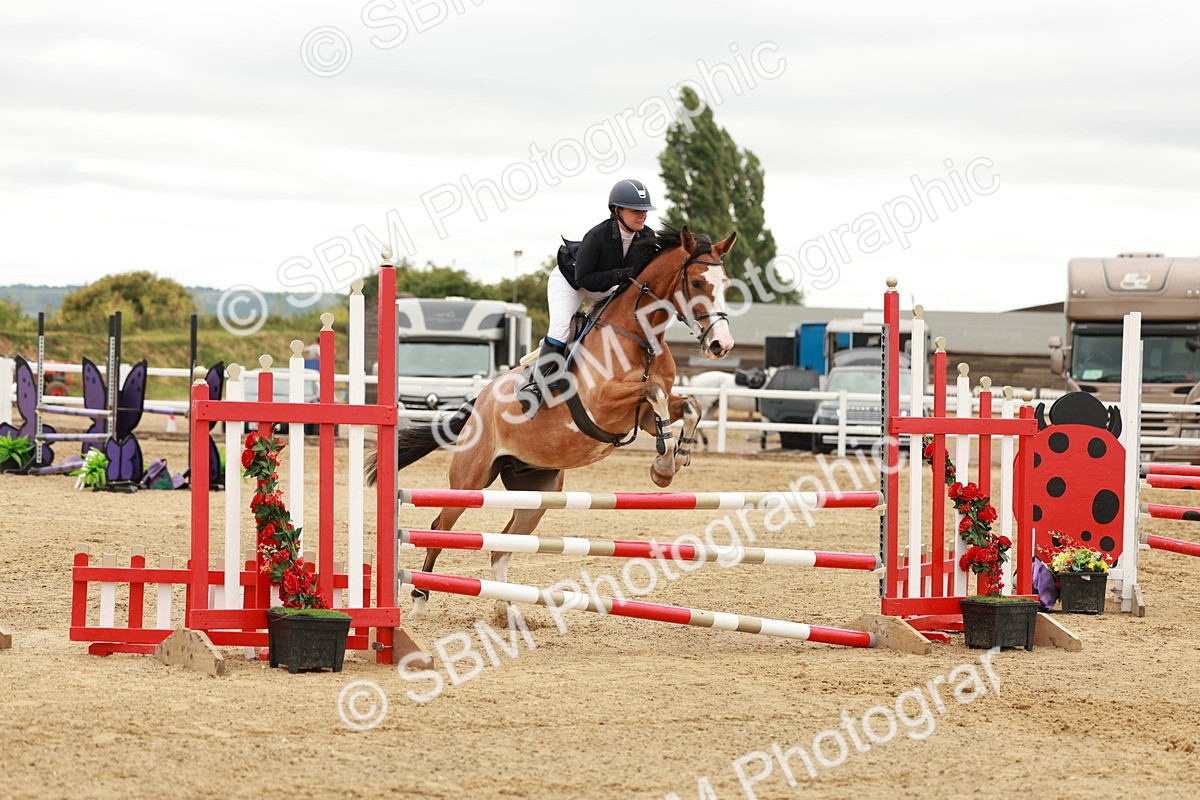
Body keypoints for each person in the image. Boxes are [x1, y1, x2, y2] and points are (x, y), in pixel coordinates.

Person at [517, 179, 659, 415]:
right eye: (635, 211)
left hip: (605, 287)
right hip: (571, 282)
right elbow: (584, 279)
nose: (642, 216)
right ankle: (535, 387)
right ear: (617, 211)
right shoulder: (598, 235)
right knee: (561, 329)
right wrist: (622, 274)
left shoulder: (647, 236)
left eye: (644, 211)